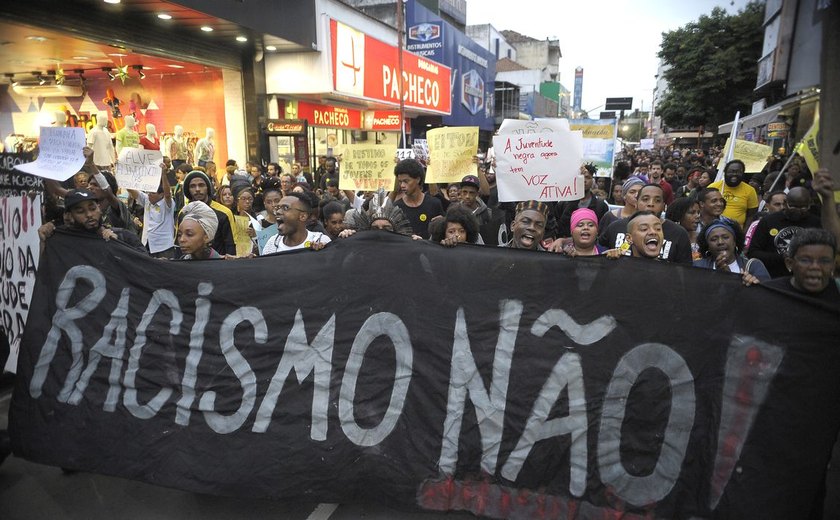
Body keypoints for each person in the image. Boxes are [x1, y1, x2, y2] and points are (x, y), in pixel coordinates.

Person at [599, 184, 693, 264]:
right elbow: (598, 256)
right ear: (636, 203)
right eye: (645, 199)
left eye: (657, 200)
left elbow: (685, 272)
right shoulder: (615, 227)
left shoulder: (679, 233)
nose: (650, 204)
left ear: (664, 206)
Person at [38, 189, 145, 253]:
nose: (89, 215)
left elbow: (147, 266)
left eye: (92, 208)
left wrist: (119, 246)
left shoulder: (125, 237)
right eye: (80, 211)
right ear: (70, 215)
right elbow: (47, 276)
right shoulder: (63, 242)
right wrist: (43, 242)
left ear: (99, 208)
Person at [747, 186, 822, 278]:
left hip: (806, 277)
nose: (798, 211)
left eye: (803, 208)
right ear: (786, 203)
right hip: (774, 278)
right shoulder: (769, 221)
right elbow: (753, 253)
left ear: (809, 205)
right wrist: (781, 257)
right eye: (793, 207)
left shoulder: (815, 222)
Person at [763, 228, 838, 306]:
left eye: (824, 261)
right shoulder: (768, 295)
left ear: (833, 265)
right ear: (789, 263)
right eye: (805, 260)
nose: (815, 267)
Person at [694, 218, 769, 283]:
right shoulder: (697, 268)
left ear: (734, 242)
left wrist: (754, 286)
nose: (720, 242)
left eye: (725, 237)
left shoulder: (754, 266)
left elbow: (768, 296)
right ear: (708, 246)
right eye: (714, 239)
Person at [180, 170, 237, 256]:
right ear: (188, 190)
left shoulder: (224, 213)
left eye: (201, 185)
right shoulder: (183, 213)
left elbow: (231, 245)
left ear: (208, 188)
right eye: (192, 186)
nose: (197, 189)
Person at [127, 163, 175, 259]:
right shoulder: (146, 200)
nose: (149, 195)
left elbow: (167, 193)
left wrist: (163, 175)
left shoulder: (167, 204)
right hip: (147, 244)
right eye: (148, 192)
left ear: (161, 195)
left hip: (164, 247)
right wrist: (125, 173)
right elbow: (132, 190)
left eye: (152, 193)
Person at [262, 192, 330, 254]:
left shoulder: (320, 240)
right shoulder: (271, 245)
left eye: (285, 208)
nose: (278, 212)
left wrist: (321, 253)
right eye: (278, 208)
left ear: (303, 216)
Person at [391, 158, 443, 239]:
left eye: (406, 181)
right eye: (400, 182)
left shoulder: (434, 204)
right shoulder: (397, 207)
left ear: (418, 179)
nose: (402, 185)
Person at [555, 164, 610, 238]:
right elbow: (558, 229)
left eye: (587, 177)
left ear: (593, 181)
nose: (584, 180)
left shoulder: (601, 206)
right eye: (580, 177)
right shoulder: (562, 204)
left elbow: (602, 232)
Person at [709, 159, 759, 228]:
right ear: (725, 172)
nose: (734, 174)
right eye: (731, 171)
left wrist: (744, 233)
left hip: (737, 232)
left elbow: (751, 215)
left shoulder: (750, 190)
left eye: (738, 172)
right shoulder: (713, 187)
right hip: (714, 228)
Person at [665, 197, 702, 261]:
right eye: (692, 213)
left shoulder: (701, 238)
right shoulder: (667, 238)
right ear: (678, 215)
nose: (697, 216)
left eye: (698, 212)